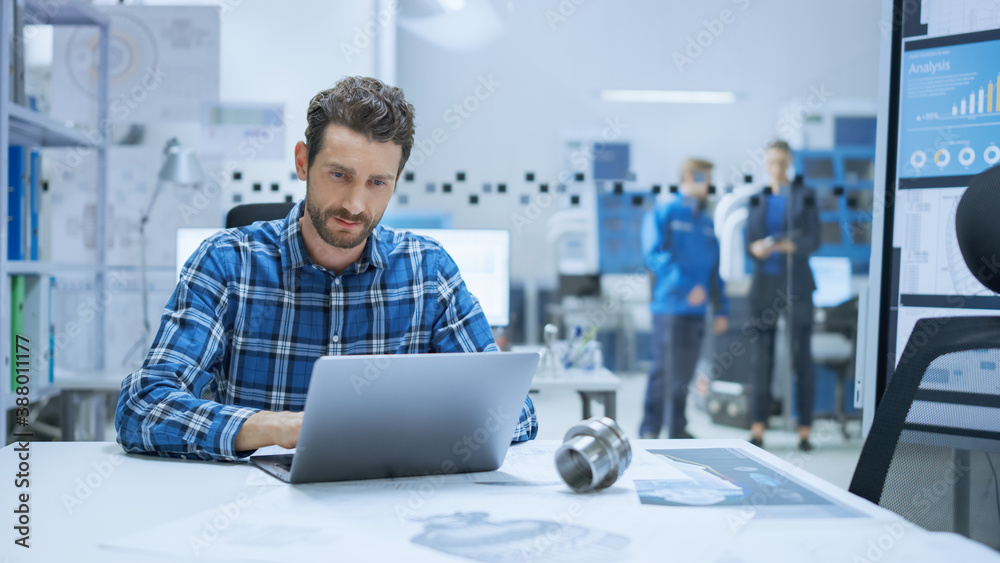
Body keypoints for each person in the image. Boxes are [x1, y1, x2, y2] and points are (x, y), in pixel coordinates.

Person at [115, 76, 537, 461]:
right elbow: (142, 406)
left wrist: (403, 429)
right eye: (340, 174)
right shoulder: (226, 264)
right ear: (303, 163)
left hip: (384, 507)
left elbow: (514, 410)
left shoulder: (429, 272)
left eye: (377, 183)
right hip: (253, 512)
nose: (356, 205)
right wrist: (277, 428)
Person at [639, 158, 729, 439]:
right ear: (690, 176)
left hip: (697, 311)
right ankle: (650, 430)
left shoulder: (705, 222)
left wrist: (721, 308)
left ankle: (677, 428)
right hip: (670, 307)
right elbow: (654, 255)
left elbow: (715, 269)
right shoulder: (665, 212)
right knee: (663, 371)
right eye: (706, 178)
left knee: (684, 374)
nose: (710, 184)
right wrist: (686, 285)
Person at [745, 140, 820, 451]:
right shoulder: (757, 199)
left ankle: (805, 430)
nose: (777, 167)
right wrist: (756, 248)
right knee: (761, 357)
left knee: (802, 354)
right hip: (765, 285)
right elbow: (747, 242)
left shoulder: (806, 196)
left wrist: (791, 246)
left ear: (789, 162)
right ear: (765, 163)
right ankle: (758, 428)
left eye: (782, 161)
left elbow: (814, 239)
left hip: (797, 284)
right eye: (772, 161)